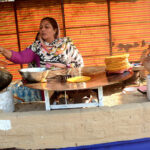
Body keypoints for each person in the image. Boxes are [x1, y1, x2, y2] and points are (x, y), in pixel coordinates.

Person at [0, 17, 84, 103]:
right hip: (48, 89)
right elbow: (20, 57)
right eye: (41, 27)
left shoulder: (66, 45)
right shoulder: (36, 47)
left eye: (46, 27)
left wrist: (66, 68)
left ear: (55, 30)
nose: (43, 29)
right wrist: (3, 50)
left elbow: (79, 62)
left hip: (68, 86)